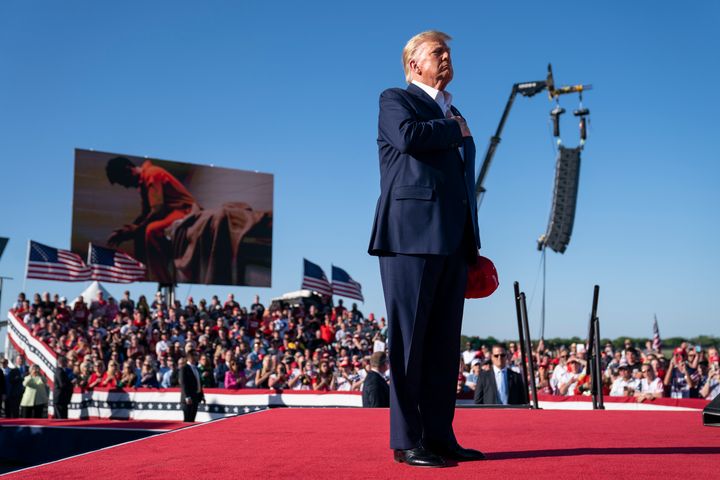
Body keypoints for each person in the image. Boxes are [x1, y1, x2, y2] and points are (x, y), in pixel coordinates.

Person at [368, 30, 482, 467]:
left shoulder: (455, 113)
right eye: (438, 52)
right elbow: (408, 138)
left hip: (453, 241)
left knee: (442, 349)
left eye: (450, 51)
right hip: (409, 238)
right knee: (409, 344)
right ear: (414, 63)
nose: (448, 57)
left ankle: (440, 437)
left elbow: (463, 183)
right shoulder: (395, 98)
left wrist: (472, 238)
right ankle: (407, 441)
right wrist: (453, 128)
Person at [105, 155, 197, 283]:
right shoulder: (143, 182)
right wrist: (128, 230)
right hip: (172, 213)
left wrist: (135, 230)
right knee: (141, 233)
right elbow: (146, 214)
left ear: (128, 169)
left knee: (151, 230)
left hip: (186, 211)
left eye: (123, 181)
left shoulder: (151, 174)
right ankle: (148, 275)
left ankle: (164, 280)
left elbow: (157, 211)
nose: (125, 186)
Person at [179, 351, 204, 422]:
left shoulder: (197, 369)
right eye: (195, 355)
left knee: (192, 420)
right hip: (188, 398)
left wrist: (201, 395)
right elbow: (184, 384)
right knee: (187, 420)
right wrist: (187, 396)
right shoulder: (184, 368)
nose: (197, 357)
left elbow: (199, 383)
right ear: (190, 357)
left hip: (195, 397)